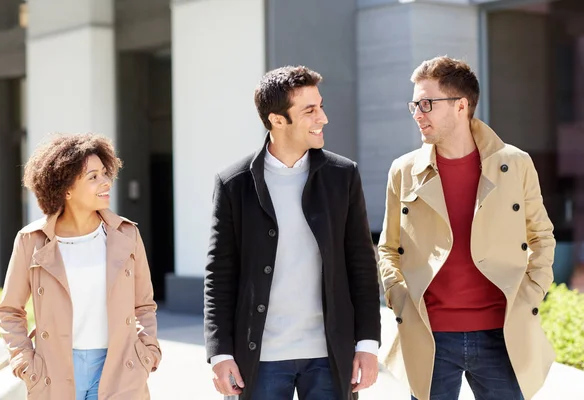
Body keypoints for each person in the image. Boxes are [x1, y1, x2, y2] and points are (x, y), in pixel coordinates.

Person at [378, 56, 556, 400]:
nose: (418, 112)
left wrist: (531, 293)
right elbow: (389, 247)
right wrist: (399, 299)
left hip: (500, 334)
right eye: (414, 104)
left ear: (461, 106)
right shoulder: (403, 170)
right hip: (430, 335)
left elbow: (541, 235)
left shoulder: (514, 164)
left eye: (427, 103)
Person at [204, 65, 381, 400]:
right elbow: (219, 273)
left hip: (329, 355)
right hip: (260, 357)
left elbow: (361, 264)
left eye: (321, 106)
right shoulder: (233, 183)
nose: (323, 118)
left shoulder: (343, 176)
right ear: (277, 120)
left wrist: (368, 344)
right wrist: (220, 353)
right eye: (309, 111)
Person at [0, 134, 161, 400]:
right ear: (66, 189)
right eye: (93, 177)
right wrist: (26, 364)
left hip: (120, 369)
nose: (106, 182)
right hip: (54, 372)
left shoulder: (126, 234)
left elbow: (143, 305)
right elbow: (10, 311)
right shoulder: (31, 241)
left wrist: (147, 352)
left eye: (105, 173)